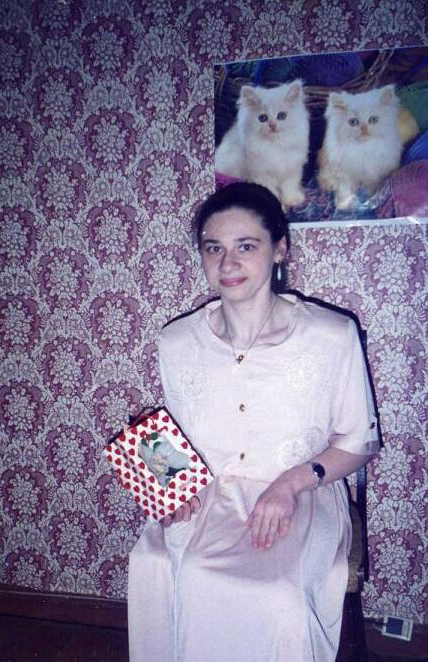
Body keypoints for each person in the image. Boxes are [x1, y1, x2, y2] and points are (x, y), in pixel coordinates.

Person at [128, 182, 380, 662]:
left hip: (300, 495)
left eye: (245, 246)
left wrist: (291, 483)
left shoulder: (331, 335)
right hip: (209, 499)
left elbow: (359, 442)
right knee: (160, 565)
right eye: (213, 248)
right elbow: (174, 443)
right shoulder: (176, 341)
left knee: (276, 597)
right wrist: (169, 487)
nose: (227, 264)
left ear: (279, 248)